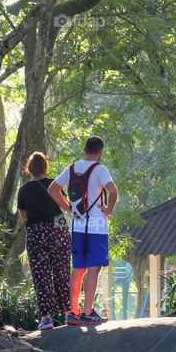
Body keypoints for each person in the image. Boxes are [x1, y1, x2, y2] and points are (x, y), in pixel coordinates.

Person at [48, 136, 118, 326]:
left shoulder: (71, 169)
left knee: (78, 268)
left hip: (76, 226)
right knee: (94, 268)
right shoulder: (99, 169)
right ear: (100, 152)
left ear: (84, 148)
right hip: (96, 227)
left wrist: (68, 208)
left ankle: (72, 312)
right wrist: (109, 210)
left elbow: (53, 189)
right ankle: (88, 312)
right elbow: (113, 191)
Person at [16, 152, 71, 330]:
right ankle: (68, 313)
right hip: (58, 229)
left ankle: (46, 318)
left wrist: (36, 224)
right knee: (62, 271)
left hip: (35, 232)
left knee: (41, 275)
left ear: (29, 169)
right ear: (45, 167)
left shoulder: (23, 190)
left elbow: (23, 215)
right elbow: (66, 206)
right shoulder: (54, 185)